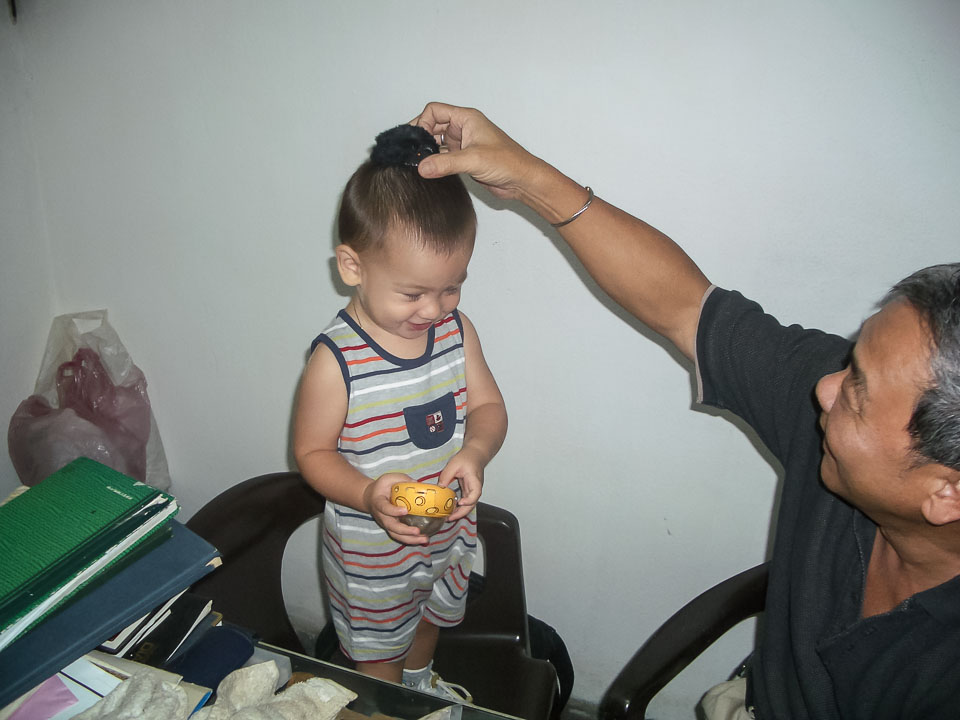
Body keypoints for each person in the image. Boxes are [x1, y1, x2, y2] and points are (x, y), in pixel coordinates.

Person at [411, 103, 960, 720]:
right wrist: (528, 176)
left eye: (856, 392)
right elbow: (685, 307)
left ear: (946, 493)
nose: (824, 389)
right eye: (849, 361)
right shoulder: (833, 408)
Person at [293, 124, 507, 701]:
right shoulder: (335, 361)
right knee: (379, 652)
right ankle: (391, 703)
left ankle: (420, 686)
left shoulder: (457, 331)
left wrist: (475, 451)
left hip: (448, 530)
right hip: (372, 550)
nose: (433, 309)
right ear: (353, 266)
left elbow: (488, 406)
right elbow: (311, 453)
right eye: (413, 293)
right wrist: (367, 494)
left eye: (451, 287)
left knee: (432, 616)